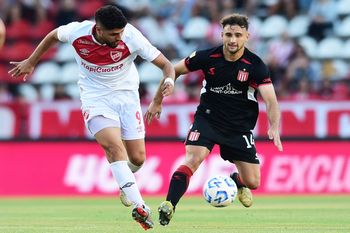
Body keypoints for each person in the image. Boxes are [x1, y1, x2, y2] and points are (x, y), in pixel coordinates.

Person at [8, 5, 175, 230]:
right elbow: (53, 35)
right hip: (95, 98)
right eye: (114, 34)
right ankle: (140, 206)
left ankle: (124, 185)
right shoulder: (78, 32)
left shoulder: (132, 36)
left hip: (126, 98)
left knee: (138, 158)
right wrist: (31, 61)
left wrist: (167, 84)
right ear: (99, 30)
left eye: (121, 32)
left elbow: (166, 65)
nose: (119, 37)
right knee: (114, 148)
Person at [145, 13, 283, 226]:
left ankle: (237, 182)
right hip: (207, 120)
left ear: (247, 36)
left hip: (239, 128)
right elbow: (173, 69)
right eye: (228, 34)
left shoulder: (255, 65)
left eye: (238, 35)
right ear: (221, 35)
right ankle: (169, 205)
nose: (232, 40)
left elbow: (271, 100)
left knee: (253, 182)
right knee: (192, 159)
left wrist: (274, 126)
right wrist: (157, 101)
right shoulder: (206, 56)